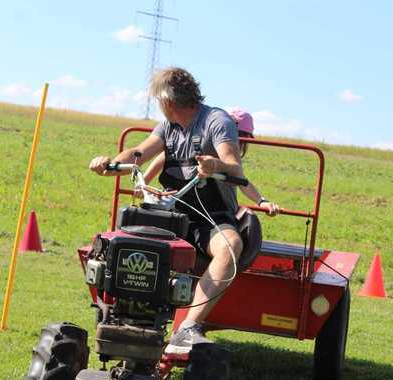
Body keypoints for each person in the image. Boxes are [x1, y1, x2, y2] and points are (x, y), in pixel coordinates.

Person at [89, 67, 245, 354]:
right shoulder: (167, 127)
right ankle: (122, 313)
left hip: (209, 216)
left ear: (168, 101)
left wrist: (214, 165)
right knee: (118, 240)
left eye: (158, 101)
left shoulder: (216, 121)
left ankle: (188, 327)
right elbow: (139, 153)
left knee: (230, 246)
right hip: (171, 214)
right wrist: (109, 164)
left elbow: (234, 167)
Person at [141, 108, 280, 216]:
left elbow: (241, 181)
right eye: (235, 136)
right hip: (196, 207)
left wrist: (261, 201)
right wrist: (143, 184)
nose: (234, 141)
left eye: (239, 137)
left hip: (218, 210)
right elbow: (165, 156)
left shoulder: (227, 157)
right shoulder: (205, 143)